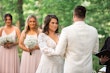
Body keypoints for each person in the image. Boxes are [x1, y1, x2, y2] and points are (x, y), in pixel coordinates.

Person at [44, 6, 99, 73]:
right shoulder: (94, 30)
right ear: (85, 16)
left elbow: (59, 51)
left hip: (71, 69)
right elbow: (95, 51)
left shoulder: (66, 30)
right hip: (87, 69)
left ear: (74, 16)